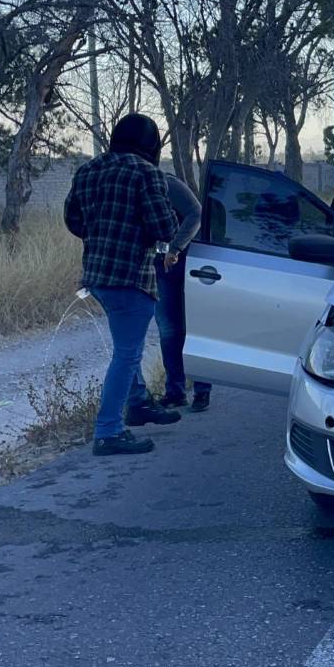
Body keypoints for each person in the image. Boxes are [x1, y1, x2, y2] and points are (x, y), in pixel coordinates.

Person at [64, 113, 179, 456]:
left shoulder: (88, 169)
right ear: (151, 145)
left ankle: (139, 403)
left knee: (124, 348)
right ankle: (108, 431)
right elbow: (165, 228)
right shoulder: (147, 173)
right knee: (127, 355)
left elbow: (72, 219)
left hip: (97, 277)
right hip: (132, 278)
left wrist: (101, 234)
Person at [128, 172, 213, 414]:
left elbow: (196, 213)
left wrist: (176, 247)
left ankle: (202, 390)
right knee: (168, 331)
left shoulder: (167, 183)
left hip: (189, 263)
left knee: (194, 328)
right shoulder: (131, 186)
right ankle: (175, 392)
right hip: (159, 266)